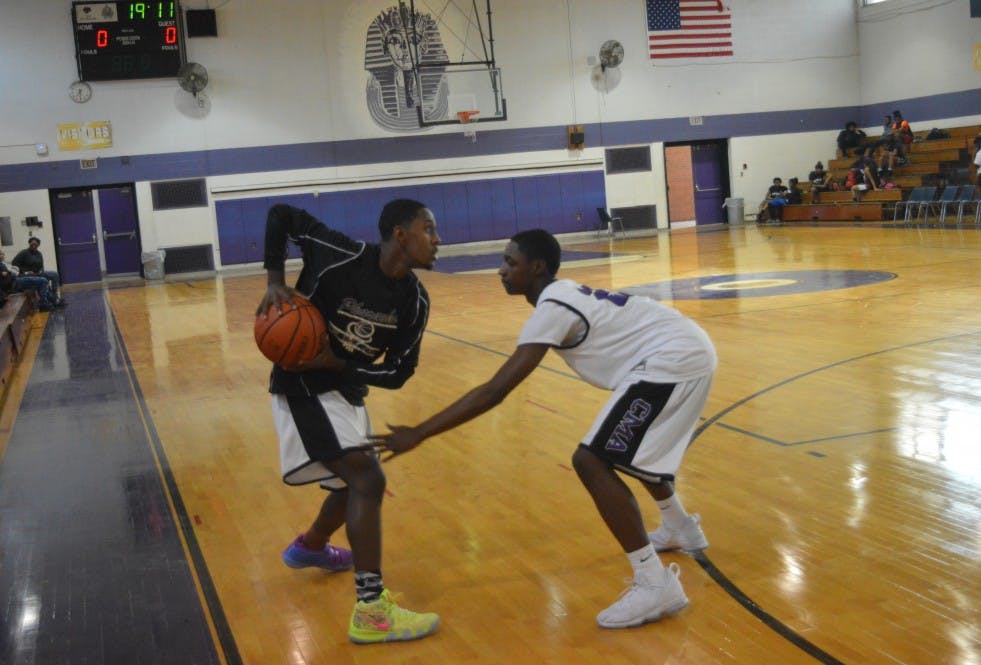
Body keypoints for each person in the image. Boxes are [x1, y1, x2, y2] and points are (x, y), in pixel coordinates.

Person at [371, 229, 717, 630]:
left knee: (591, 460)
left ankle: (654, 582)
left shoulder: (553, 307)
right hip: (683, 350)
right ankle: (679, 526)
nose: (501, 271)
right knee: (627, 447)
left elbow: (495, 391)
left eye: (510, 263)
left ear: (536, 268)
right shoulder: (562, 293)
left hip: (672, 360)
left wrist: (420, 432)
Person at [256, 199, 442, 644]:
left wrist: (339, 364)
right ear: (400, 234)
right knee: (368, 479)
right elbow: (280, 215)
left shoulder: (415, 300)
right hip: (303, 384)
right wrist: (276, 282)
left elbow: (398, 372)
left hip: (346, 390)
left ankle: (312, 546)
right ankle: (371, 611)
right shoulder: (337, 253)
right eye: (429, 229)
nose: (437, 240)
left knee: (350, 486)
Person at [12, 237, 62, 302]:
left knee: (54, 274)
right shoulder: (24, 252)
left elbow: (41, 265)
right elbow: (14, 264)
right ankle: (47, 300)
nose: (34, 245)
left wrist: (41, 270)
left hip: (38, 273)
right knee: (43, 280)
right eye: (32, 244)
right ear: (29, 243)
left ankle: (55, 296)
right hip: (27, 274)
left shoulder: (39, 253)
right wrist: (24, 271)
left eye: (36, 244)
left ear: (38, 245)